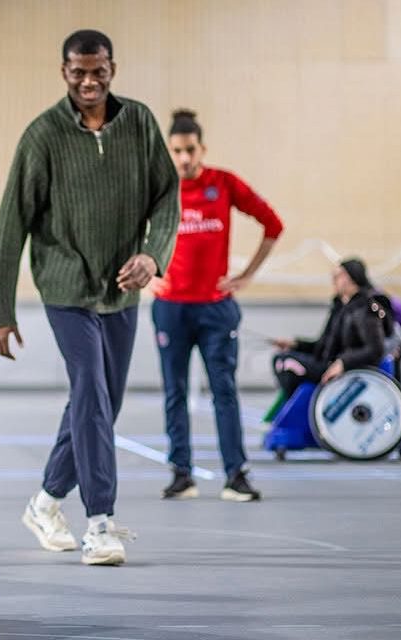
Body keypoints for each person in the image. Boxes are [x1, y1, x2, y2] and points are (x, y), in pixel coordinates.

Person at [0, 29, 179, 566]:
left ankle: (46, 501)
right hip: (65, 287)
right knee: (92, 392)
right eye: (79, 72)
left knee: (102, 402)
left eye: (98, 71)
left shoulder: (139, 123)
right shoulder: (42, 135)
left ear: (112, 68)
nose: (89, 82)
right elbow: (11, 226)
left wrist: (153, 255)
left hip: (122, 287)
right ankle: (100, 523)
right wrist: (1, 311)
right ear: (64, 72)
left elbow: (167, 195)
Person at [152, 109, 285, 503]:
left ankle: (236, 475)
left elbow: (273, 224)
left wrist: (246, 276)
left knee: (223, 391)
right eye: (176, 151)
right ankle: (181, 474)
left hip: (215, 309)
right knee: (174, 392)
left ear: (202, 148)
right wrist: (147, 273)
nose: (183, 159)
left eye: (190, 150)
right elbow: (124, 228)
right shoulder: (158, 187)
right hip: (170, 308)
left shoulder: (223, 184)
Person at [271, 258, 391, 396]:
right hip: (328, 362)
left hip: (345, 369)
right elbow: (323, 345)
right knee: (281, 357)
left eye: (338, 276)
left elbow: (375, 349)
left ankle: (303, 406)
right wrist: (295, 344)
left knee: (285, 362)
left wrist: (343, 363)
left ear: (352, 278)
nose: (333, 280)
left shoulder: (365, 308)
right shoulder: (341, 307)